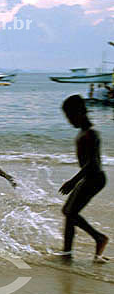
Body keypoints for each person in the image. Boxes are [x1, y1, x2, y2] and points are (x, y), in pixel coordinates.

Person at [59, 95, 109, 262]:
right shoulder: (84, 133)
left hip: (95, 178)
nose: (69, 121)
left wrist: (73, 182)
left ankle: (99, 238)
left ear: (80, 113)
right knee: (69, 211)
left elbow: (92, 163)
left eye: (70, 116)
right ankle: (66, 253)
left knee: (70, 211)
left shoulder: (90, 134)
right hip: (90, 177)